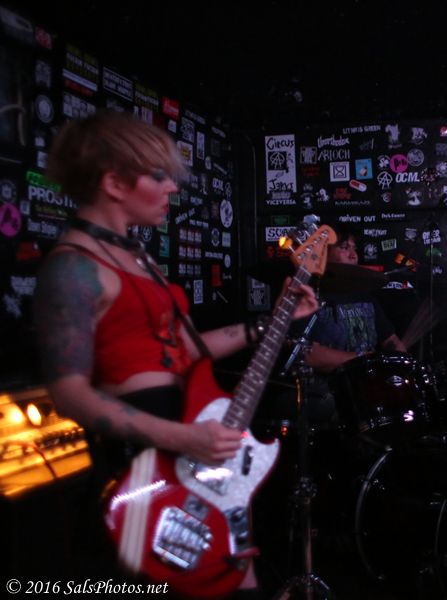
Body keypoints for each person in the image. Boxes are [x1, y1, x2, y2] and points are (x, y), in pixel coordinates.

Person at [32, 111, 319, 598]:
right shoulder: (74, 269)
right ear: (114, 183)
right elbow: (69, 394)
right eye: (158, 176)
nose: (172, 188)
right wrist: (183, 436)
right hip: (147, 459)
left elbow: (187, 349)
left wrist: (271, 322)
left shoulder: (137, 257)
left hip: (193, 441)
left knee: (237, 580)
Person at [282, 222, 407, 427]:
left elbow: (391, 340)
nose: (353, 254)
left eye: (354, 248)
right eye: (344, 247)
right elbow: (309, 354)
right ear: (323, 252)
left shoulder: (364, 294)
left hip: (368, 387)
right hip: (326, 391)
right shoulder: (309, 296)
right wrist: (366, 361)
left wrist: (403, 370)